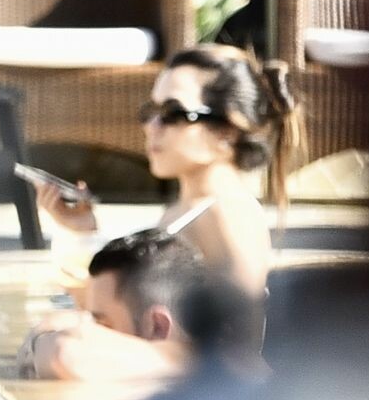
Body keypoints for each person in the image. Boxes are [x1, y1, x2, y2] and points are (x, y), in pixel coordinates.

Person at [36, 44, 295, 310]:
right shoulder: (188, 211)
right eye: (151, 111)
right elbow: (140, 315)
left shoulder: (227, 216)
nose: (151, 126)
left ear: (226, 131)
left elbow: (240, 331)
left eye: (172, 113)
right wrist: (82, 231)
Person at [18, 229, 205, 382]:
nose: (92, 331)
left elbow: (65, 352)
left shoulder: (202, 371)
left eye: (103, 324)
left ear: (158, 326)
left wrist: (42, 340)